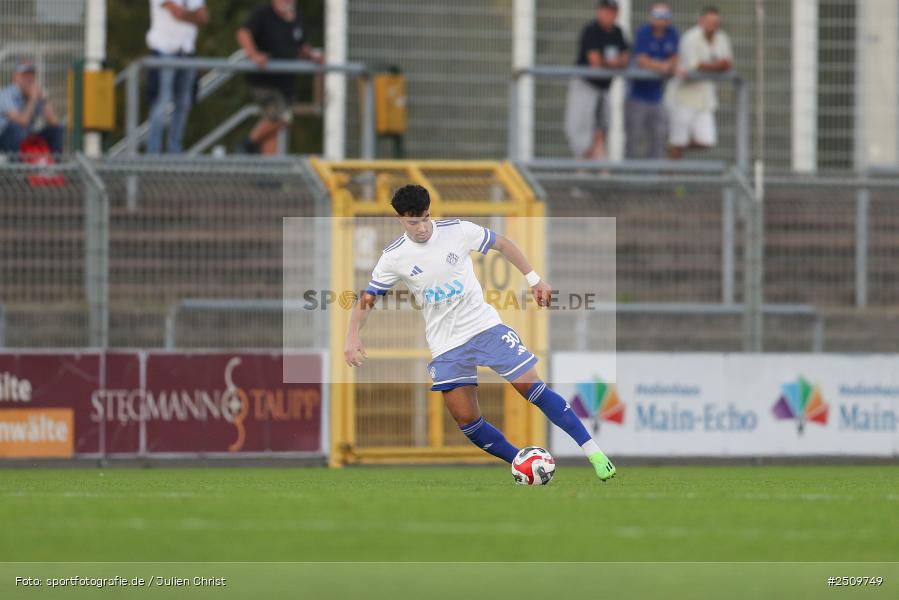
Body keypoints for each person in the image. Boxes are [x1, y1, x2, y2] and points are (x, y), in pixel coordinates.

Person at [344, 185, 617, 482]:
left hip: (484, 327)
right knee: (466, 420)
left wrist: (535, 279)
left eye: (425, 218)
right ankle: (523, 463)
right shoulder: (394, 257)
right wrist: (352, 336)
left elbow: (503, 244)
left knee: (530, 386)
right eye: (413, 222)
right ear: (399, 219)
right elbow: (368, 299)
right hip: (446, 344)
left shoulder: (457, 231)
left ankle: (594, 452)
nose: (422, 227)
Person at [237, 0, 324, 155]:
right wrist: (254, 54)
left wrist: (311, 56)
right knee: (282, 117)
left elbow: (300, 44)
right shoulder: (263, 13)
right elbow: (243, 33)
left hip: (285, 82)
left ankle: (268, 175)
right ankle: (248, 144)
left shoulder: (296, 15)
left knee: (273, 127)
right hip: (265, 81)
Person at [564, 0, 629, 161]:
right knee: (580, 131)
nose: (609, 15)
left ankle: (598, 169)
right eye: (606, 10)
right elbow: (595, 61)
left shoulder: (618, 32)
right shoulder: (591, 30)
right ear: (599, 11)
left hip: (604, 89)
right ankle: (582, 169)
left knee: (601, 130)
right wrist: (612, 63)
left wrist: (611, 63)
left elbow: (625, 58)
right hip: (585, 86)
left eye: (612, 11)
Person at [667, 6, 733, 159]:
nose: (712, 26)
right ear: (701, 21)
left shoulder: (722, 38)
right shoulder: (690, 37)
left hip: (705, 98)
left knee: (706, 141)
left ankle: (674, 147)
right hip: (684, 98)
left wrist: (712, 66)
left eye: (715, 22)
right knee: (678, 140)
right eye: (708, 22)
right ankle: (672, 178)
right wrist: (717, 65)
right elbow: (695, 67)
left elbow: (728, 63)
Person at [145, 0, 209, 154]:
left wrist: (185, 13)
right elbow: (179, 14)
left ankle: (175, 150)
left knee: (184, 103)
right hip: (164, 51)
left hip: (186, 52)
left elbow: (204, 17)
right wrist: (191, 14)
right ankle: (153, 152)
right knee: (161, 101)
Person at [626, 3, 678, 159]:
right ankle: (628, 176)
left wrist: (668, 65)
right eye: (657, 16)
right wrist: (662, 66)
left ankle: (654, 178)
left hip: (658, 96)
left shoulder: (672, 33)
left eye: (664, 16)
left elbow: (675, 58)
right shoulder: (643, 32)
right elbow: (642, 60)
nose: (661, 20)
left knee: (658, 137)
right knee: (633, 139)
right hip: (637, 96)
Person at [0, 59, 63, 155]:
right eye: (24, 75)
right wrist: (32, 100)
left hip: (27, 136)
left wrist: (44, 100)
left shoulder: (34, 93)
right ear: (15, 77)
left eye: (31, 74)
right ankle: (18, 166)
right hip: (5, 140)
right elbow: (22, 122)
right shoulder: (5, 95)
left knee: (56, 129)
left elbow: (54, 122)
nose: (29, 78)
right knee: (15, 127)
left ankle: (56, 167)